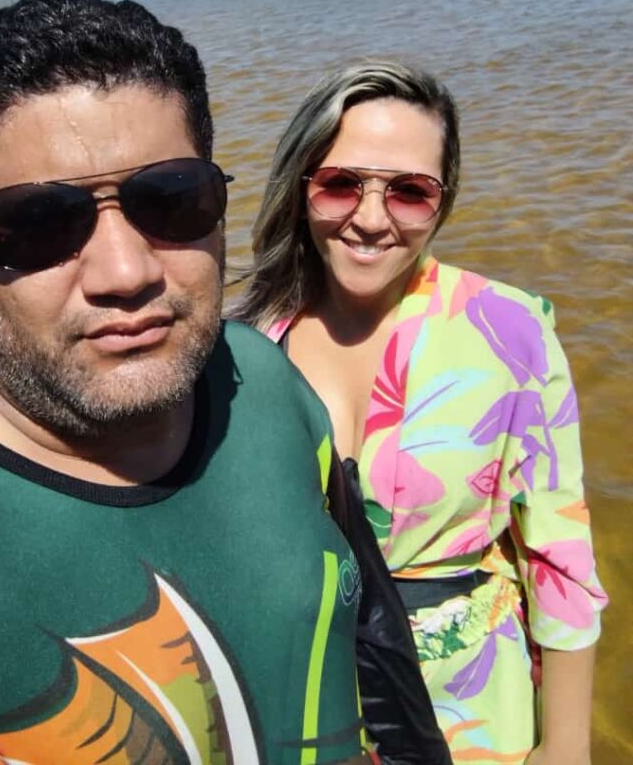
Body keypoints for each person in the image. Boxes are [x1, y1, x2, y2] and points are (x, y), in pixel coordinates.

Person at [0, 0, 440, 765]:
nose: (125, 272)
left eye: (170, 200)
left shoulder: (264, 380)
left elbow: (375, 645)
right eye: (38, 222)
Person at [233, 60, 608, 765]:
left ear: (444, 200)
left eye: (409, 192)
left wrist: (565, 745)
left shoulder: (509, 332)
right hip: (307, 697)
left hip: (470, 703)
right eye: (341, 183)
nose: (371, 219)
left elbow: (559, 553)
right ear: (301, 186)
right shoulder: (245, 349)